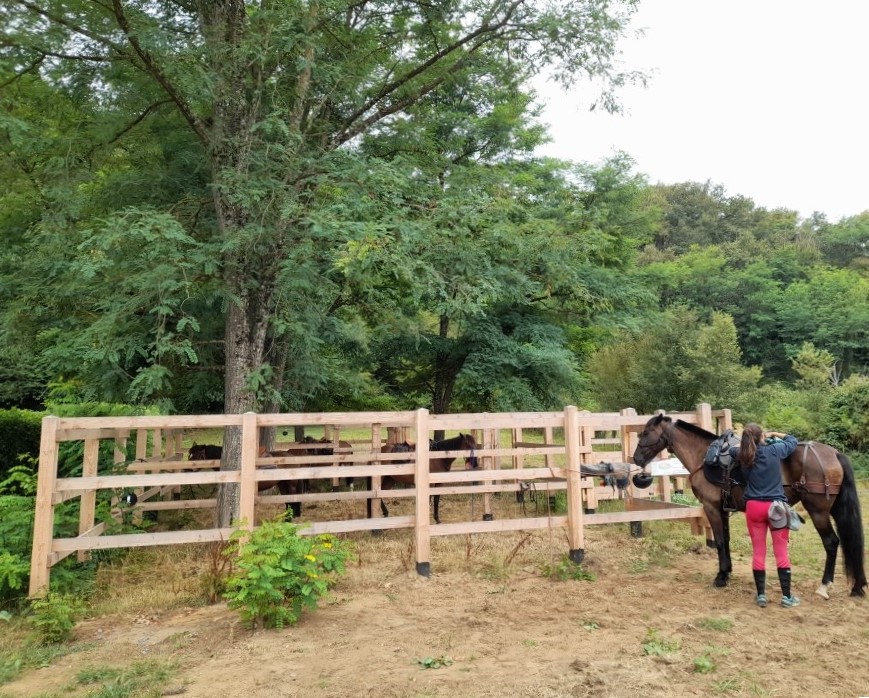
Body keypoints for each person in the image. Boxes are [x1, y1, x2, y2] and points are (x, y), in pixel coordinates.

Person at [729, 424, 800, 608]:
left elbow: (731, 449)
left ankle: (761, 596)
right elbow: (793, 440)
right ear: (762, 436)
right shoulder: (774, 450)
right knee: (781, 552)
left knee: (758, 552)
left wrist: (744, 440)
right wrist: (774, 434)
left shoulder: (742, 455)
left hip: (753, 507)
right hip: (776, 507)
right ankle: (786, 597)